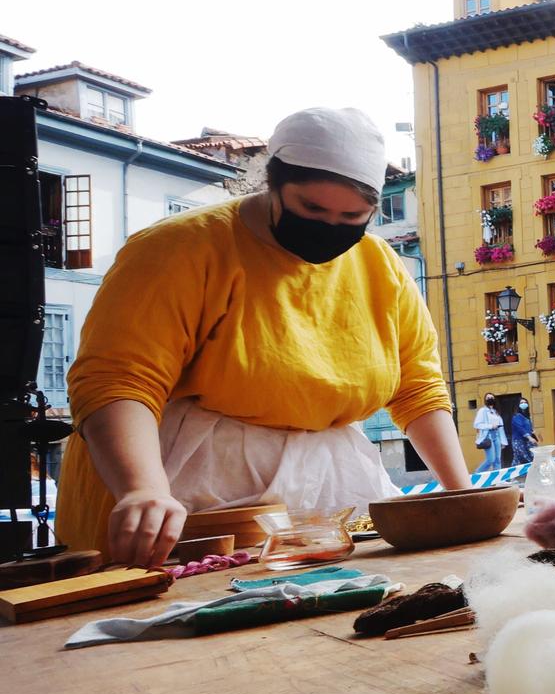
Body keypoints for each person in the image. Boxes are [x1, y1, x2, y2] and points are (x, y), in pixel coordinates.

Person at [59, 108, 472, 565]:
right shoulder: (176, 249)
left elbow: (418, 387)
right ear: (271, 183)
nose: (330, 225)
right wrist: (142, 490)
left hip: (327, 497)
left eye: (353, 215)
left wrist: (461, 494)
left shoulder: (381, 266)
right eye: (311, 208)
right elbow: (119, 381)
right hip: (179, 493)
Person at [473, 394, 506, 472]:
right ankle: (477, 474)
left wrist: (503, 441)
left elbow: (501, 427)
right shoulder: (482, 411)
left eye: (491, 397)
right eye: (488, 398)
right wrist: (490, 426)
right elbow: (477, 424)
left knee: (497, 460)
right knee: (491, 459)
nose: (490, 399)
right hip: (488, 437)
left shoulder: (496, 412)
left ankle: (497, 479)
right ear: (485, 400)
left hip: (497, 436)